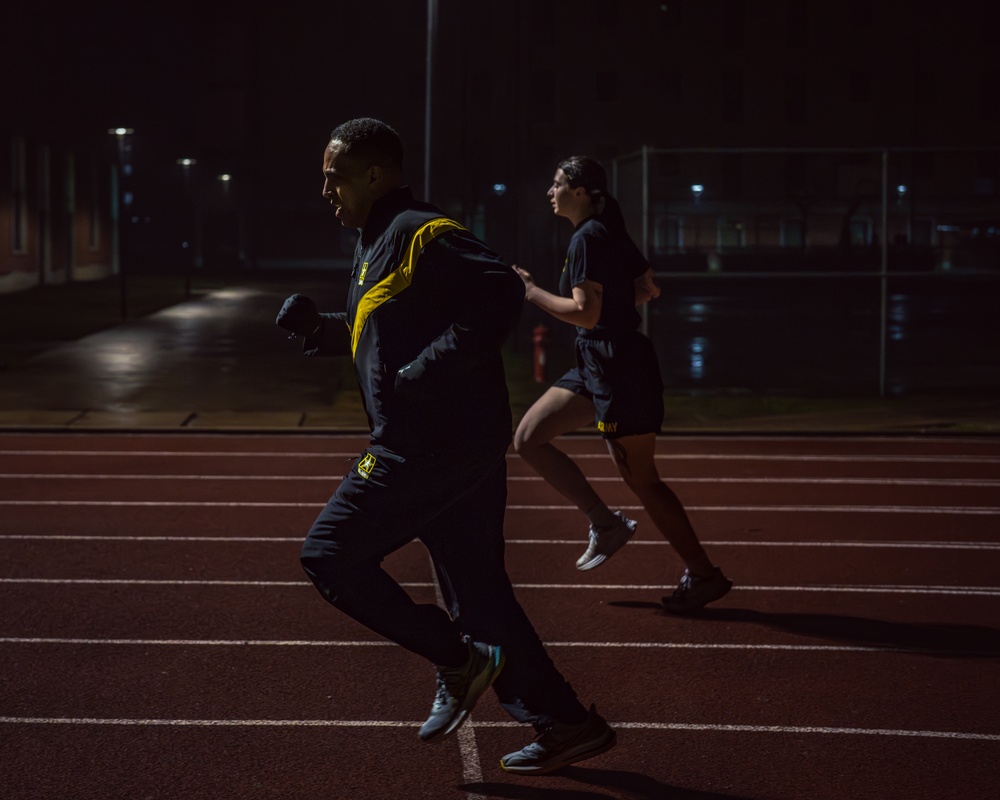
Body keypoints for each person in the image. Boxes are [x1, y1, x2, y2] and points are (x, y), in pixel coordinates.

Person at [276, 119, 615, 774]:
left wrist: (427, 371)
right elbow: (392, 326)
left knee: (329, 555)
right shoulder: (376, 241)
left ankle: (457, 661)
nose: (325, 190)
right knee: (480, 595)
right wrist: (323, 330)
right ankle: (567, 722)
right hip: (454, 448)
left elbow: (497, 291)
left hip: (429, 446)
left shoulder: (421, 232)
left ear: (375, 175)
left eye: (335, 176)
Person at [512, 156, 732, 613]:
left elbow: (586, 313)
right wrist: (612, 304)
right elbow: (648, 289)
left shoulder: (590, 235)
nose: (549, 192)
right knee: (529, 438)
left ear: (580, 191)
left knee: (644, 481)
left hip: (617, 367)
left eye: (557, 184)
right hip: (597, 360)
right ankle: (605, 523)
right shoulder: (607, 230)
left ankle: (704, 574)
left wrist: (530, 292)